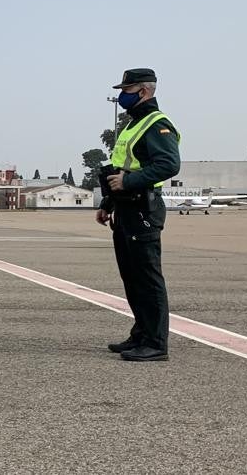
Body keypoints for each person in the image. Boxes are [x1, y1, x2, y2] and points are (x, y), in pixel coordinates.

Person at [96, 68, 181, 362]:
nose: (122, 95)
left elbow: (169, 165)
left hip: (144, 207)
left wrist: (129, 183)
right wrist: (108, 202)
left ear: (144, 91)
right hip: (125, 207)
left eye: (127, 89)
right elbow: (121, 167)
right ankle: (141, 334)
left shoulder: (157, 124)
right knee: (131, 276)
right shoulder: (133, 125)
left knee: (147, 276)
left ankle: (157, 343)